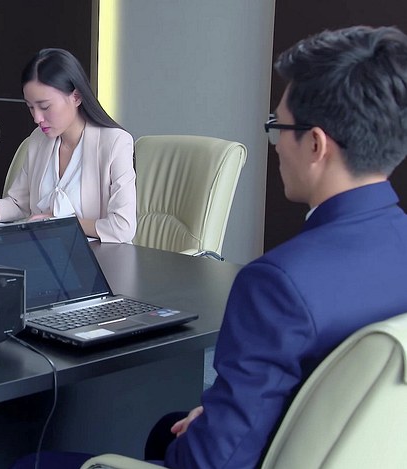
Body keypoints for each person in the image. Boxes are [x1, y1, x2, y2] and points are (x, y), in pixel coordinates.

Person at [150, 25, 407, 468]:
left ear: (315, 144)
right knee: (165, 429)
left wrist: (213, 432)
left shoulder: (277, 283)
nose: (275, 146)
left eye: (277, 127)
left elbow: (213, 463)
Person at [0, 48, 136, 243]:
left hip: (98, 259)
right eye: (30, 107)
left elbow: (122, 227)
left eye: (45, 106)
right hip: (44, 252)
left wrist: (56, 223)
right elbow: (17, 204)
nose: (37, 118)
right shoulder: (39, 139)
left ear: (76, 97)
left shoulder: (115, 143)